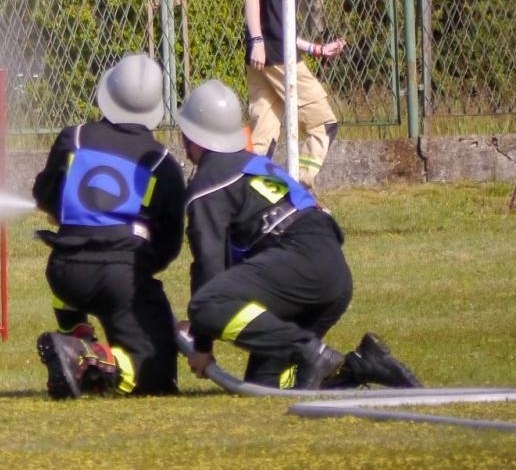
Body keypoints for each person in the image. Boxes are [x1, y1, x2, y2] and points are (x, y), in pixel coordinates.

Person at [176, 77, 420, 390]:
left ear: (190, 137)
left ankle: (310, 352)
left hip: (297, 263)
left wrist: (201, 345)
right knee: (265, 383)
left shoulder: (208, 185)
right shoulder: (256, 164)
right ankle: (361, 365)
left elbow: (209, 273)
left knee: (205, 304)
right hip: (332, 272)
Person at [32, 52, 187, 399]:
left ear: (109, 93)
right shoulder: (163, 162)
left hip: (63, 271)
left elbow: (43, 194)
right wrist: (139, 266)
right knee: (155, 374)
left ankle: (75, 336)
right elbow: (169, 243)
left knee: (69, 265)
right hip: (121, 280)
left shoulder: (75, 138)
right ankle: (87, 357)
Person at [245, 0, 345, 187]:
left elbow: (281, 28)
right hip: (276, 58)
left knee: (263, 136)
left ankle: (256, 197)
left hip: (264, 59)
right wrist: (257, 42)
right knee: (323, 124)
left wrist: (317, 49)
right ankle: (299, 187)